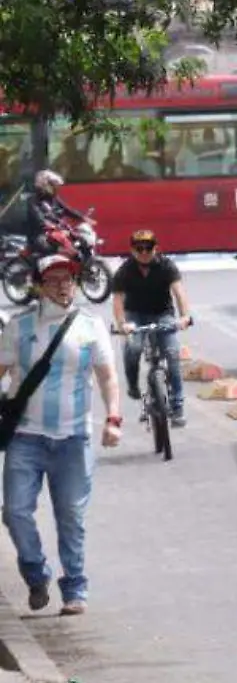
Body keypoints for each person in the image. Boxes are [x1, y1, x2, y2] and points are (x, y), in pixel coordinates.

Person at [0, 254, 121, 616]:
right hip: (26, 436)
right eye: (53, 280)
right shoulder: (18, 327)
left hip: (73, 439)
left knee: (71, 515)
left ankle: (75, 588)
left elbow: (107, 376)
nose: (63, 286)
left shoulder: (90, 325)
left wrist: (113, 417)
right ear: (38, 286)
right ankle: (36, 573)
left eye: (68, 279)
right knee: (16, 511)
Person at [109, 229, 194, 428]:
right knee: (134, 347)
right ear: (132, 250)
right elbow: (118, 301)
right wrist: (123, 325)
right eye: (139, 248)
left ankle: (177, 406)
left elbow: (179, 292)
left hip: (162, 313)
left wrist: (184, 317)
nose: (144, 252)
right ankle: (132, 384)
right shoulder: (125, 270)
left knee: (172, 354)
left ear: (156, 248)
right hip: (134, 315)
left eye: (149, 248)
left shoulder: (167, 266)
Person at [22, 171, 84, 260]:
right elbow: (39, 218)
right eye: (53, 185)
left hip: (53, 233)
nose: (56, 188)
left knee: (77, 241)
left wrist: (82, 217)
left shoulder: (54, 199)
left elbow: (67, 209)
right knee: (65, 251)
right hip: (39, 236)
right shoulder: (33, 201)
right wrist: (50, 224)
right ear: (45, 185)